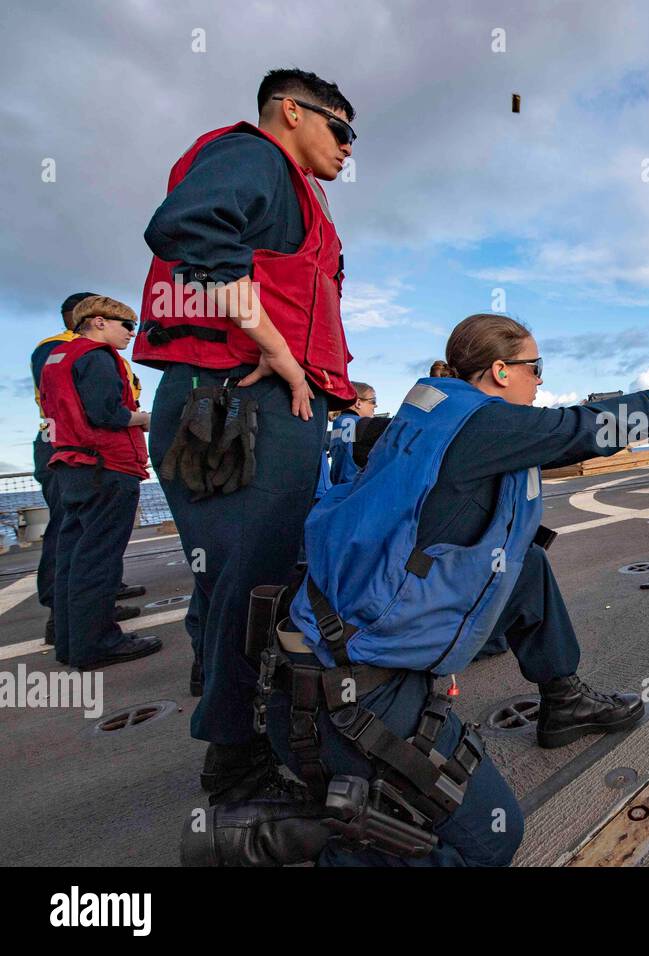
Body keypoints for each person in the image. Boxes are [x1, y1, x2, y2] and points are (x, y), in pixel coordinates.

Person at [250, 313, 649, 867]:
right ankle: (297, 846)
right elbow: (577, 429)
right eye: (535, 368)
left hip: (318, 659)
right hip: (355, 698)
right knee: (490, 842)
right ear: (502, 370)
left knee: (525, 565)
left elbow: (550, 438)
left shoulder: (435, 412)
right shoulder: (482, 427)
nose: (540, 382)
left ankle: (564, 699)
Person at [136, 68, 357, 803]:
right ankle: (234, 762)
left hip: (233, 404)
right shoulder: (256, 156)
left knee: (234, 575)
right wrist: (275, 346)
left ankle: (239, 713)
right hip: (243, 405)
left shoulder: (295, 194)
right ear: (290, 113)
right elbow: (189, 226)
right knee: (257, 580)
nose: (348, 147)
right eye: (340, 129)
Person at [40, 296, 161, 669]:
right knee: (100, 560)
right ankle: (99, 643)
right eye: (126, 325)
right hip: (106, 465)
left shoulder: (56, 359)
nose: (131, 333)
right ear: (98, 322)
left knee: (72, 557)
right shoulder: (96, 357)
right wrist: (144, 419)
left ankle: (69, 641)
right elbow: (106, 413)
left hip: (71, 464)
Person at [327, 381, 375, 485]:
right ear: (358, 403)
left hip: (338, 490)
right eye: (373, 401)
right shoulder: (363, 424)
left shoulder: (337, 424)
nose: (375, 406)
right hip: (358, 489)